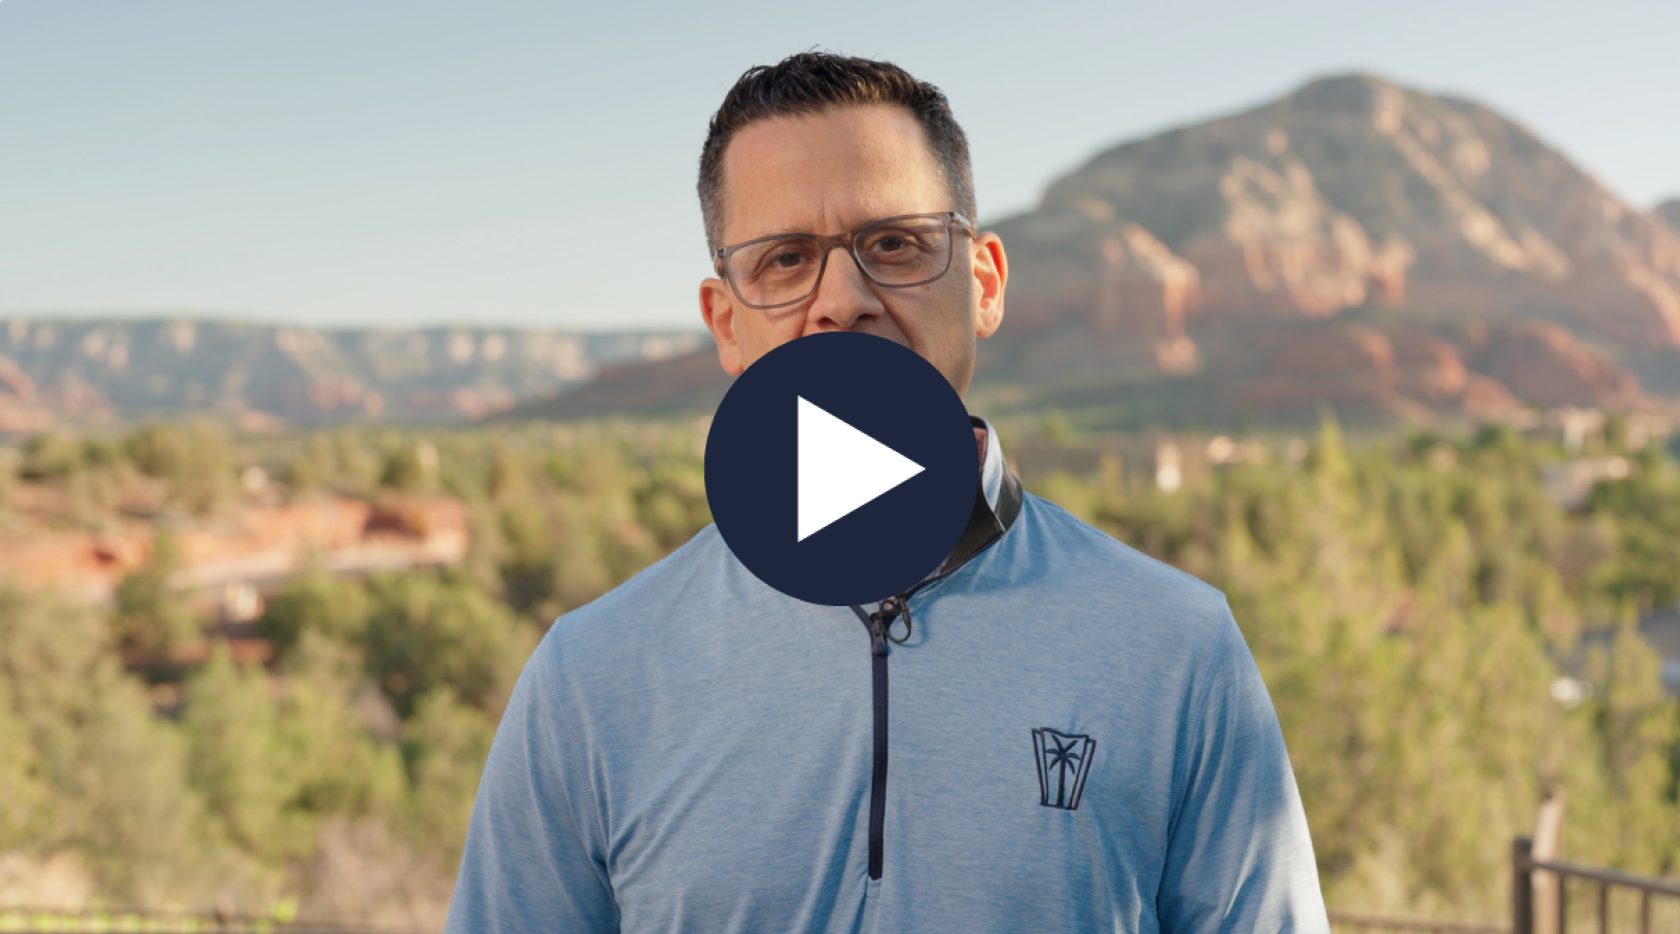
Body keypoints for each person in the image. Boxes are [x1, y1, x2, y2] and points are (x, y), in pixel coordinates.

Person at [445, 51, 1329, 932]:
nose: (842, 298)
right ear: (726, 322)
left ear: (982, 283)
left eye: (894, 244)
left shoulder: (1176, 648)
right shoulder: (593, 678)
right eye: (786, 259)